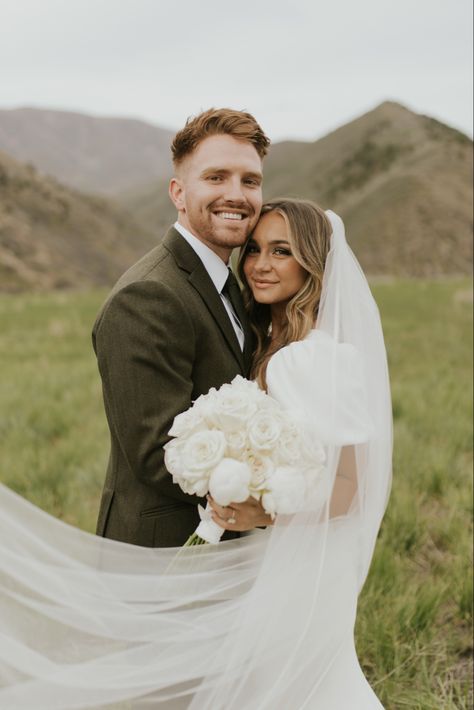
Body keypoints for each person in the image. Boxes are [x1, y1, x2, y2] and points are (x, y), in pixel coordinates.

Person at [0, 200, 392, 709]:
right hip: (274, 557)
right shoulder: (274, 342)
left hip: (300, 566)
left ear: (313, 263)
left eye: (282, 252)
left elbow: (350, 490)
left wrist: (261, 510)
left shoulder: (311, 358)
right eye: (253, 249)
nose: (260, 264)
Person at [92, 108, 271, 547]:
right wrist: (280, 495)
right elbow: (157, 453)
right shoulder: (149, 296)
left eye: (249, 181)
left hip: (227, 548)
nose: (236, 194)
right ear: (178, 192)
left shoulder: (233, 284)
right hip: (165, 553)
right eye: (216, 177)